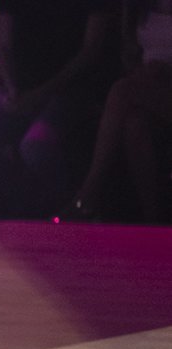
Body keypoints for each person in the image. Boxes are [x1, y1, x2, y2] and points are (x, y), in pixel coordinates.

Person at [0, 0, 121, 217]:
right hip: (19, 86)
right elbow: (3, 46)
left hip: (72, 89)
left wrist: (41, 93)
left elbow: (90, 52)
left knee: (36, 146)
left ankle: (63, 211)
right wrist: (13, 88)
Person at [61, 0, 172, 222]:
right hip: (148, 87)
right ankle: (154, 218)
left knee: (120, 92)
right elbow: (130, 57)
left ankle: (88, 194)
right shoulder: (139, 7)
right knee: (134, 124)